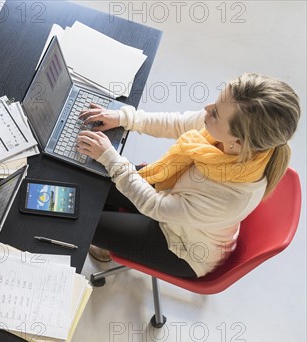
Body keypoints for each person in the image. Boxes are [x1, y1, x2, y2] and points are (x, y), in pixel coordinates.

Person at [76, 73, 300, 278]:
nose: (207, 108)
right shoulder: (232, 136)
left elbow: (155, 206)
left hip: (180, 245)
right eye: (216, 101)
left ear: (238, 142)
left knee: (79, 222)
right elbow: (178, 123)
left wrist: (111, 158)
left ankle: (107, 243)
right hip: (176, 200)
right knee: (85, 173)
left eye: (216, 113)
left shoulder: (228, 197)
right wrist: (123, 118)